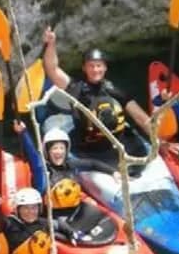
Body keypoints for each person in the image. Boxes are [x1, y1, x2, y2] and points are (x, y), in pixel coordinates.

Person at [40, 27, 149, 163]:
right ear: (84, 68)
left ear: (105, 67)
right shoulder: (76, 88)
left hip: (115, 144)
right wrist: (51, 44)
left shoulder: (114, 91)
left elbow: (140, 117)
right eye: (91, 66)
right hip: (88, 148)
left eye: (99, 65)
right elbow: (52, 69)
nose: (95, 70)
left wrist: (160, 141)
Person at [13, 120, 116, 225]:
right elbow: (33, 155)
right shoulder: (42, 170)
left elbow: (92, 163)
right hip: (53, 220)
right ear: (47, 152)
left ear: (66, 150)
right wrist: (23, 133)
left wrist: (113, 172)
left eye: (62, 148)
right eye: (55, 148)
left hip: (76, 214)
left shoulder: (71, 165)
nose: (59, 152)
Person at [0, 187, 84, 254]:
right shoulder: (10, 225)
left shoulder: (43, 223)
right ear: (17, 209)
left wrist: (71, 233)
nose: (30, 212)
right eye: (25, 208)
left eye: (34, 208)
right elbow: (0, 223)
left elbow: (58, 224)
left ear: (39, 208)